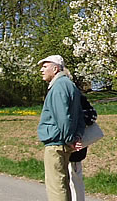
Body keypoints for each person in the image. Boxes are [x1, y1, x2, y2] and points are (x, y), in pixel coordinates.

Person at [37, 55, 84, 201]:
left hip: (56, 144)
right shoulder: (70, 85)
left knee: (56, 186)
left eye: (45, 67)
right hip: (65, 142)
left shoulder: (58, 87)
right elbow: (79, 116)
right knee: (63, 183)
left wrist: (69, 138)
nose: (41, 70)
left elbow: (63, 117)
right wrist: (76, 136)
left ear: (55, 69)